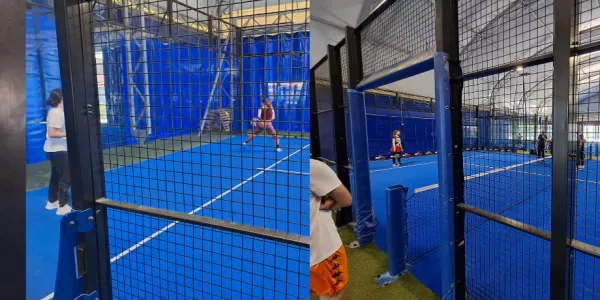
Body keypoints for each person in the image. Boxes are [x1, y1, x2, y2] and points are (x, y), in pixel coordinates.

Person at [310, 159, 352, 300]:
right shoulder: (313, 166)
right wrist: (326, 205)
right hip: (322, 249)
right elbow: (345, 199)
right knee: (333, 293)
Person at [44, 89, 72, 215]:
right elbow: (52, 133)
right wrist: (70, 134)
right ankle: (63, 205)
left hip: (54, 150)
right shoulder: (57, 113)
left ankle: (52, 201)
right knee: (65, 177)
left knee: (56, 176)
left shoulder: (56, 112)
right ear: (61, 98)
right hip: (58, 151)